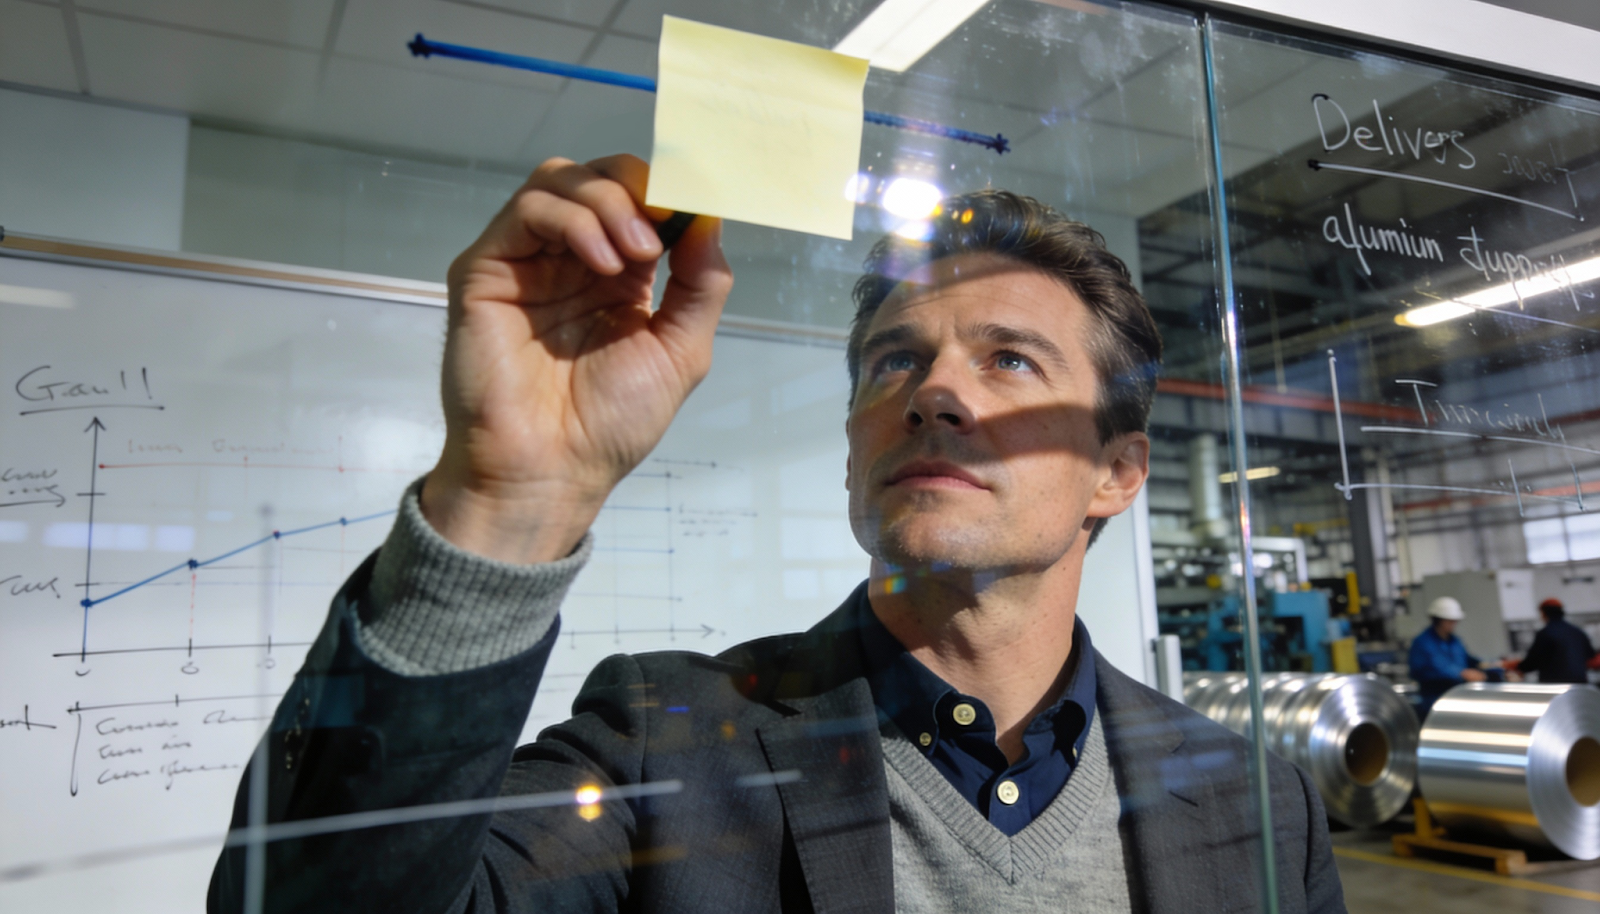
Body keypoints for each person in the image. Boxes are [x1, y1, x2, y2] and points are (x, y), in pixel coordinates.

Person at [208, 155, 1344, 913]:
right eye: (895, 359)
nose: (934, 392)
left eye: (1007, 358)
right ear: (856, 441)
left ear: (1116, 470)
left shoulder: (1255, 796)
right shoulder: (667, 740)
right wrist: (506, 500)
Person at [1408, 596, 1504, 717]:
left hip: (1458, 697)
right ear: (1438, 620)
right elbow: (1420, 671)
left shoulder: (1454, 641)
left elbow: (1467, 659)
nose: (1453, 624)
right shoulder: (1422, 643)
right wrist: (1461, 673)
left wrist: (1489, 665)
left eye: (1455, 621)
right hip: (1434, 701)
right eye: (1449, 621)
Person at [1517, 598, 1596, 684]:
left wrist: (1517, 666)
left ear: (1543, 614)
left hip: (1554, 685)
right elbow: (1591, 658)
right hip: (1579, 684)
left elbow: (1531, 663)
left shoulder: (1545, 634)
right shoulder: (1578, 632)